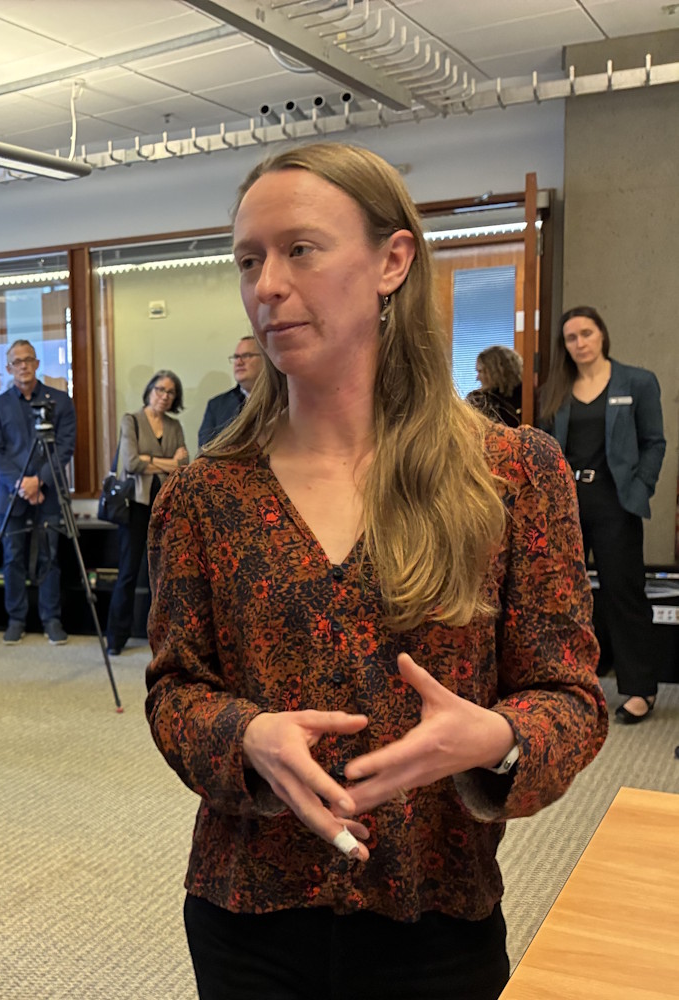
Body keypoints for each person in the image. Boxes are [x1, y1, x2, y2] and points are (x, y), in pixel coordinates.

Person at [146, 142, 606, 1000]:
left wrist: (498, 740)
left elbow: (571, 698)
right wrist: (244, 736)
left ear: (392, 260)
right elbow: (175, 690)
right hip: (248, 916)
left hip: (435, 920)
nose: (267, 285)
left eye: (301, 250)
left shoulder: (512, 474)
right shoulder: (206, 494)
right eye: (249, 260)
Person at [539, 306, 666, 723]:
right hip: (567, 505)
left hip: (616, 503)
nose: (580, 343)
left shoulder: (637, 382)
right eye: (571, 338)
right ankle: (567, 684)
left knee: (623, 594)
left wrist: (642, 485)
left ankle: (638, 689)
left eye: (587, 334)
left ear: (602, 335)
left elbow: (654, 442)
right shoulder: (556, 389)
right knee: (563, 598)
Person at [0, 339, 77, 645]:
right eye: (16, 362)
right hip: (13, 494)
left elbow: (65, 447)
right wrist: (22, 484)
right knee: (13, 558)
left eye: (28, 360)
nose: (23, 366)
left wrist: (40, 481)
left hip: (49, 491)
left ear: (37, 364)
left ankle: (51, 618)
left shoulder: (59, 401)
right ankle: (16, 618)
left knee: (50, 556)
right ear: (9, 368)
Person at [105, 369, 188, 656]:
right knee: (128, 572)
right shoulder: (131, 420)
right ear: (149, 391)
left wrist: (149, 459)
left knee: (164, 575)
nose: (164, 396)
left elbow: (184, 465)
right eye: (159, 390)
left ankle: (160, 638)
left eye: (170, 392)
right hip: (136, 506)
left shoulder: (174, 425)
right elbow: (130, 463)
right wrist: (167, 462)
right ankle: (116, 637)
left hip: (166, 506)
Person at [197, 335, 264, 449]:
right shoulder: (216, 405)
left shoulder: (283, 400)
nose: (239, 362)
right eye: (236, 357)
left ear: (265, 360)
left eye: (246, 356)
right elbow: (205, 448)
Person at [466, 344, 524, 427]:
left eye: (481, 371)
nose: (477, 378)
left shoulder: (479, 401)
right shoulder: (477, 399)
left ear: (496, 372)